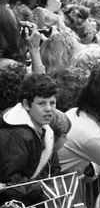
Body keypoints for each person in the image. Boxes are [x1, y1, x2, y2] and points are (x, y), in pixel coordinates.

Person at [0, 74, 57, 206]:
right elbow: (11, 182)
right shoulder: (16, 133)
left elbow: (52, 166)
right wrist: (42, 190)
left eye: (52, 103)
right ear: (26, 104)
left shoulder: (43, 129)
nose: (49, 109)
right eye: (41, 103)